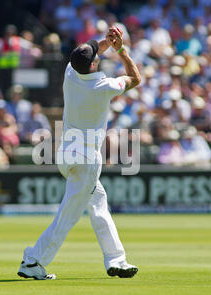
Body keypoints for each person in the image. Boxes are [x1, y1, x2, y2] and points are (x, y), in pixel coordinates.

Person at [18, 26, 141, 280]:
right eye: (97, 57)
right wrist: (121, 50)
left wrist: (106, 43)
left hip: (66, 153)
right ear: (95, 65)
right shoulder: (103, 85)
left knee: (98, 205)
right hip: (86, 158)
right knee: (68, 216)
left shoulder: (70, 73)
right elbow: (135, 78)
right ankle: (33, 261)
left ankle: (116, 260)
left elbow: (89, 52)